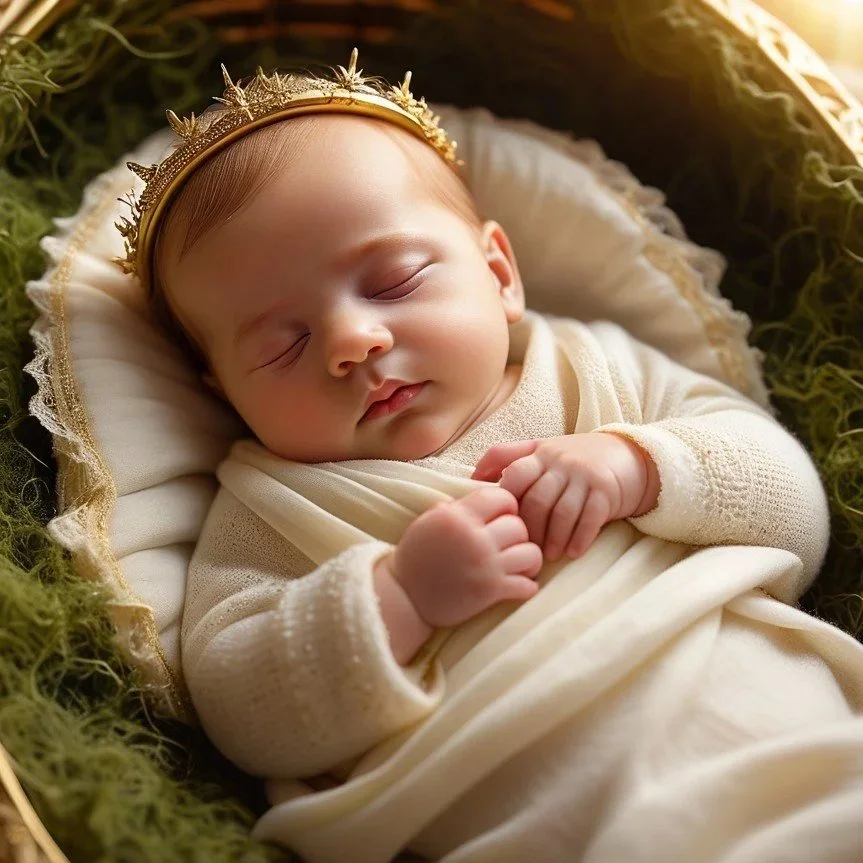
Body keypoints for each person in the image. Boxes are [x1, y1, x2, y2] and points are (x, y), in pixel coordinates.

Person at [120, 52, 863, 863]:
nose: (351, 341)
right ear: (223, 387)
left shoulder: (595, 368)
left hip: (782, 732)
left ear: (499, 273)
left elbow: (792, 501)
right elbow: (243, 707)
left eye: (394, 282)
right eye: (283, 343)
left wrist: (637, 464)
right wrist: (396, 596)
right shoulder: (270, 505)